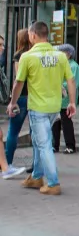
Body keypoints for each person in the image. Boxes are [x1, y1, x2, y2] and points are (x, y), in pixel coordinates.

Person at [6, 21, 77, 196]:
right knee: (39, 142)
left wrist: (12, 102)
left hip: (38, 108)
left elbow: (19, 83)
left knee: (44, 144)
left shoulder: (27, 57)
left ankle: (53, 183)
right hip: (54, 107)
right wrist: (72, 102)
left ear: (33, 35)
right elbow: (70, 80)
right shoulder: (60, 56)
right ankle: (36, 177)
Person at [5, 29, 31, 166]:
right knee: (36, 133)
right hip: (34, 96)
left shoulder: (19, 55)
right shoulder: (34, 54)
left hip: (21, 96)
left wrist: (12, 100)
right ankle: (36, 166)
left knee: (13, 131)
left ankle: (7, 162)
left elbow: (19, 76)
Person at [51, 44, 79, 154]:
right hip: (57, 100)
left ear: (68, 54)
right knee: (55, 123)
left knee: (66, 123)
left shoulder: (74, 66)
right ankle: (54, 145)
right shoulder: (61, 65)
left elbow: (73, 83)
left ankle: (70, 145)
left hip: (67, 100)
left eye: (62, 53)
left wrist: (60, 86)